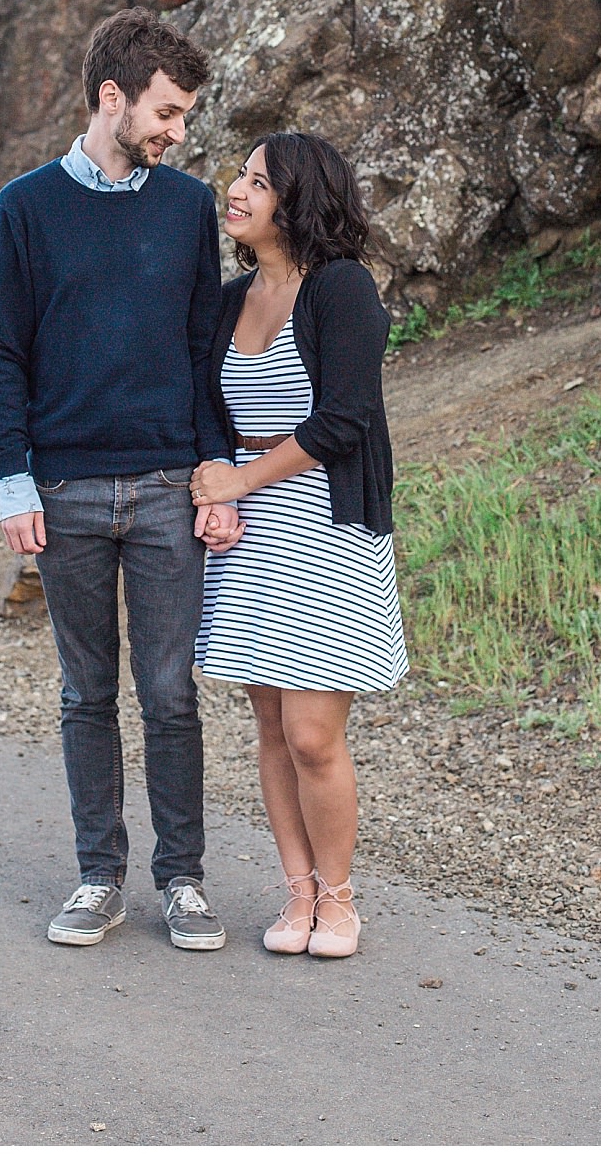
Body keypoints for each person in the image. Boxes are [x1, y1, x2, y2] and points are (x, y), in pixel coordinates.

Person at [0, 9, 242, 952]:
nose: (177, 133)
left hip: (172, 488)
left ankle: (184, 880)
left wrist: (217, 478)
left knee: (170, 694)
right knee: (86, 693)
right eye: (167, 112)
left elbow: (203, 350)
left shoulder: (185, 207)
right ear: (113, 98)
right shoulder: (26, 208)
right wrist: (13, 480)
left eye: (185, 118)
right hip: (68, 494)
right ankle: (99, 876)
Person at [190, 132, 408, 959]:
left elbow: (346, 417)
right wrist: (216, 480)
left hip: (324, 522)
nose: (236, 191)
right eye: (239, 177)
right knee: (272, 729)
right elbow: (205, 403)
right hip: (247, 533)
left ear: (299, 198)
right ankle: (297, 894)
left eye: (257, 180)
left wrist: (240, 482)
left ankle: (341, 900)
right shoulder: (226, 298)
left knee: (314, 733)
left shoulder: (343, 289)